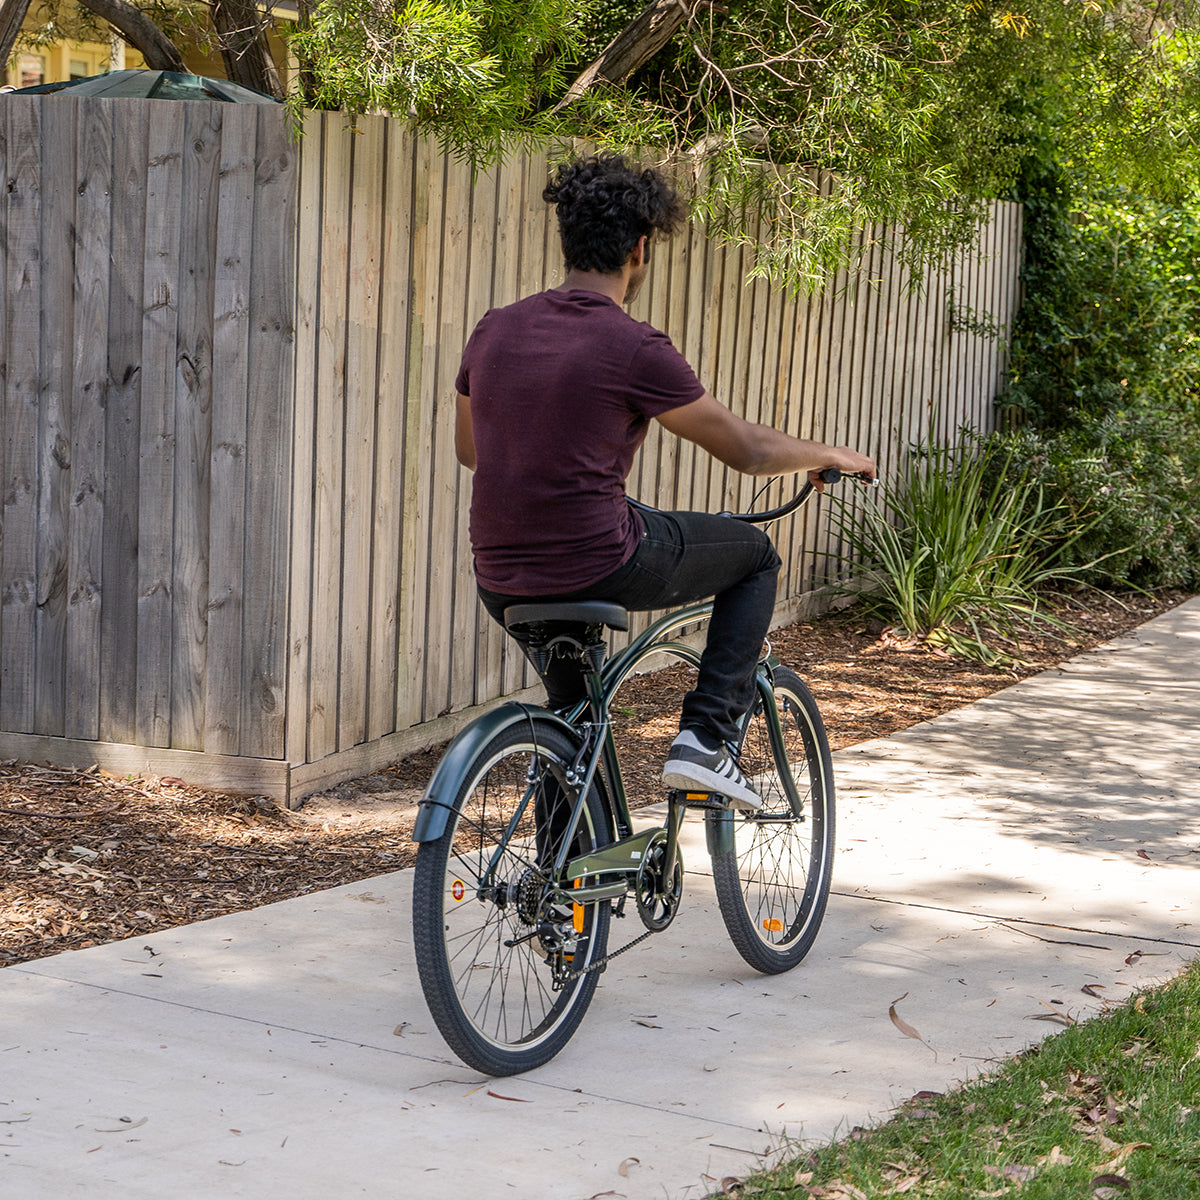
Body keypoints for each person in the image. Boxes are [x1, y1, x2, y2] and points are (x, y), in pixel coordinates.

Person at [455, 153, 875, 811]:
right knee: (755, 559)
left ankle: (559, 903)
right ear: (641, 248)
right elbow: (749, 451)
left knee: (572, 718)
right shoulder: (632, 345)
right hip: (599, 559)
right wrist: (836, 454)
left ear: (567, 238)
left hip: (499, 575)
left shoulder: (493, 330)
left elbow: (470, 450)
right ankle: (706, 740)